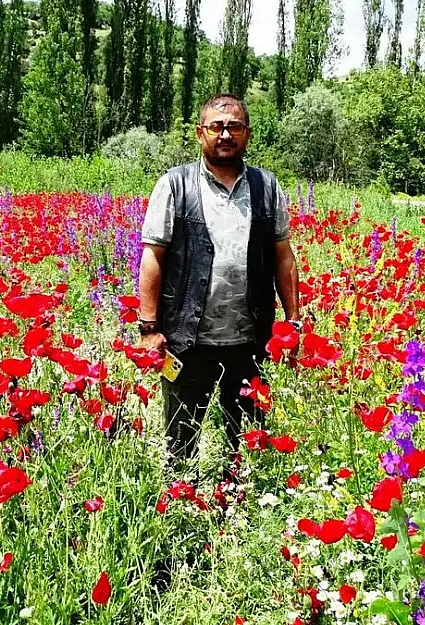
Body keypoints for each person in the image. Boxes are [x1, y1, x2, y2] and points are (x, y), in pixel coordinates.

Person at [137, 93, 301, 481]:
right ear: (200, 133)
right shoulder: (175, 185)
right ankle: (182, 511)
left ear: (247, 134)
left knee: (245, 441)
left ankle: (236, 508)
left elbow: (283, 256)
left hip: (250, 341)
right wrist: (149, 328)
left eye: (235, 127)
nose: (225, 134)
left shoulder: (265, 186)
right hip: (185, 341)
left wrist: (293, 322)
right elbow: (153, 257)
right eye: (217, 126)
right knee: (180, 440)